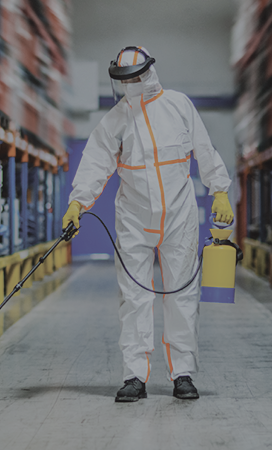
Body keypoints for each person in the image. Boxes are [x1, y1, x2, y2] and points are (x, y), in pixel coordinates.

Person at [63, 46, 233, 402]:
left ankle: (182, 373)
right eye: (127, 80)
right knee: (134, 297)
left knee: (182, 294)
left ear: (150, 71)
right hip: (134, 219)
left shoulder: (179, 105)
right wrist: (77, 202)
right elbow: (95, 163)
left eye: (138, 76)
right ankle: (134, 377)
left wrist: (219, 190)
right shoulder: (116, 120)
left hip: (179, 217)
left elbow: (204, 148)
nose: (134, 84)